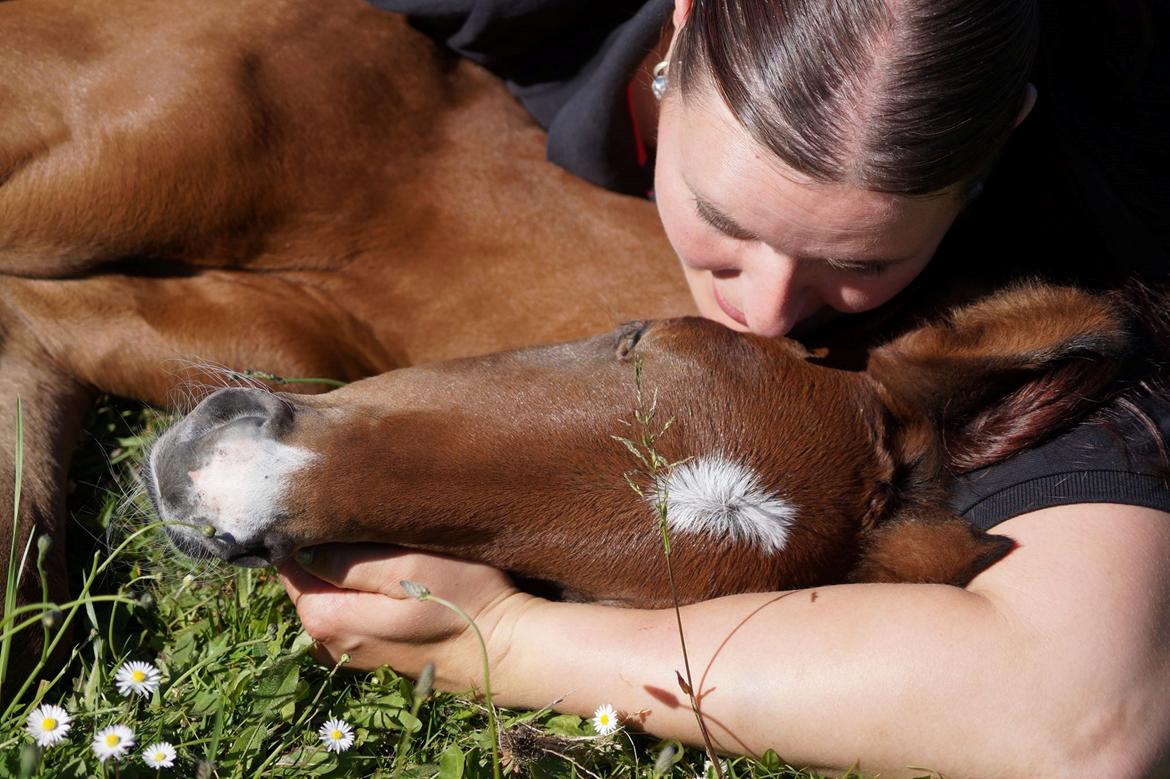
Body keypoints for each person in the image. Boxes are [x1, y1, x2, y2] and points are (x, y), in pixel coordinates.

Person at [278, 1, 1170, 776]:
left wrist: (507, 641)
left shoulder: (1072, 254)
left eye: (862, 261)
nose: (768, 311)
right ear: (683, 21)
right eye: (719, 216)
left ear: (1001, 140)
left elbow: (1091, 720)